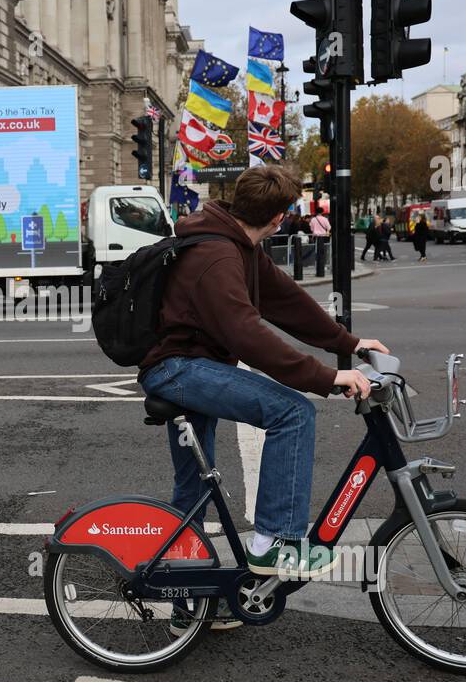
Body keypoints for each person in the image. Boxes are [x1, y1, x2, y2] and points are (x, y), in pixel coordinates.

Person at [139, 164, 389, 592]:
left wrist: (349, 342)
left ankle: (186, 599)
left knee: (194, 486)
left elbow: (287, 302)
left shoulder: (239, 246)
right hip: (178, 370)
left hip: (190, 365)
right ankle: (274, 542)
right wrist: (327, 377)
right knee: (292, 413)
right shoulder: (217, 256)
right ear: (279, 218)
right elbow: (247, 335)